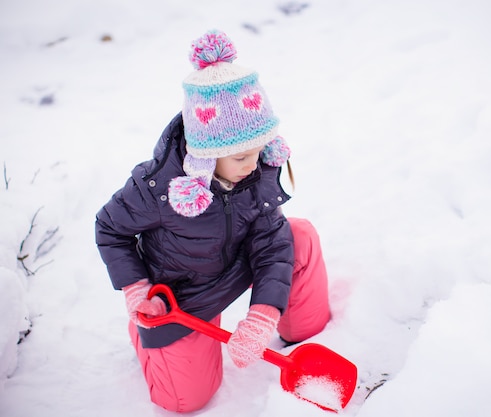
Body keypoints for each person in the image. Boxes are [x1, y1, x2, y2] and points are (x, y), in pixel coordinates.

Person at [95, 30, 331, 413]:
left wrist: (262, 316)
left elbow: (272, 244)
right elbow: (109, 229)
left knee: (298, 235)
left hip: (239, 262)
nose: (253, 164)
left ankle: (301, 331)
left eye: (258, 151)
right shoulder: (157, 186)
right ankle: (148, 337)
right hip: (185, 295)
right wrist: (136, 289)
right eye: (240, 157)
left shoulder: (256, 169)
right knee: (186, 401)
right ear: (208, 153)